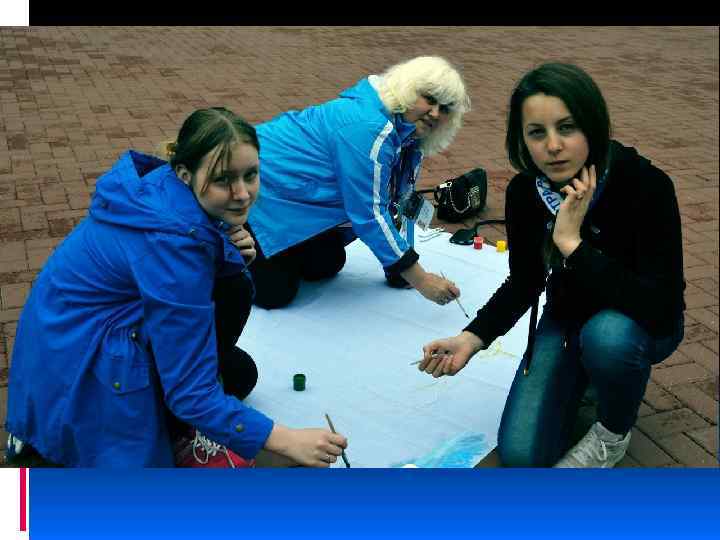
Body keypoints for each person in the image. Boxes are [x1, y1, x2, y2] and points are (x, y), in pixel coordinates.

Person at [5, 107, 347, 468]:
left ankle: (162, 423)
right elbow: (190, 394)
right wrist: (286, 440)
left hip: (61, 347)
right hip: (78, 370)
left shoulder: (165, 192)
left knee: (238, 371)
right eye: (223, 180)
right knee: (208, 395)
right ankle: (57, 455)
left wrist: (226, 255)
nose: (243, 193)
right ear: (185, 173)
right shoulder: (173, 243)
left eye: (251, 175)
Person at [418, 63, 685, 468]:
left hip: (637, 325)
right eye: (537, 132)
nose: (553, 146)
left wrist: (573, 245)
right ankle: (588, 374)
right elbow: (525, 282)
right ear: (522, 139)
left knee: (608, 339)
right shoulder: (527, 191)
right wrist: (471, 338)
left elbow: (662, 309)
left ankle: (612, 431)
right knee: (521, 455)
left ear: (592, 126)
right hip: (567, 322)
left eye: (567, 127)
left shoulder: (645, 185)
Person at [246, 55, 471, 309]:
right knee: (275, 294)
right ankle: (225, 241)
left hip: (293, 198)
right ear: (408, 89)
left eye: (445, 108)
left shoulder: (407, 134)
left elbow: (396, 201)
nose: (435, 113)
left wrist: (399, 268)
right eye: (429, 99)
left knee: (328, 262)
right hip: (256, 194)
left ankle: (272, 251)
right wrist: (421, 279)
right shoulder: (370, 128)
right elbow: (369, 212)